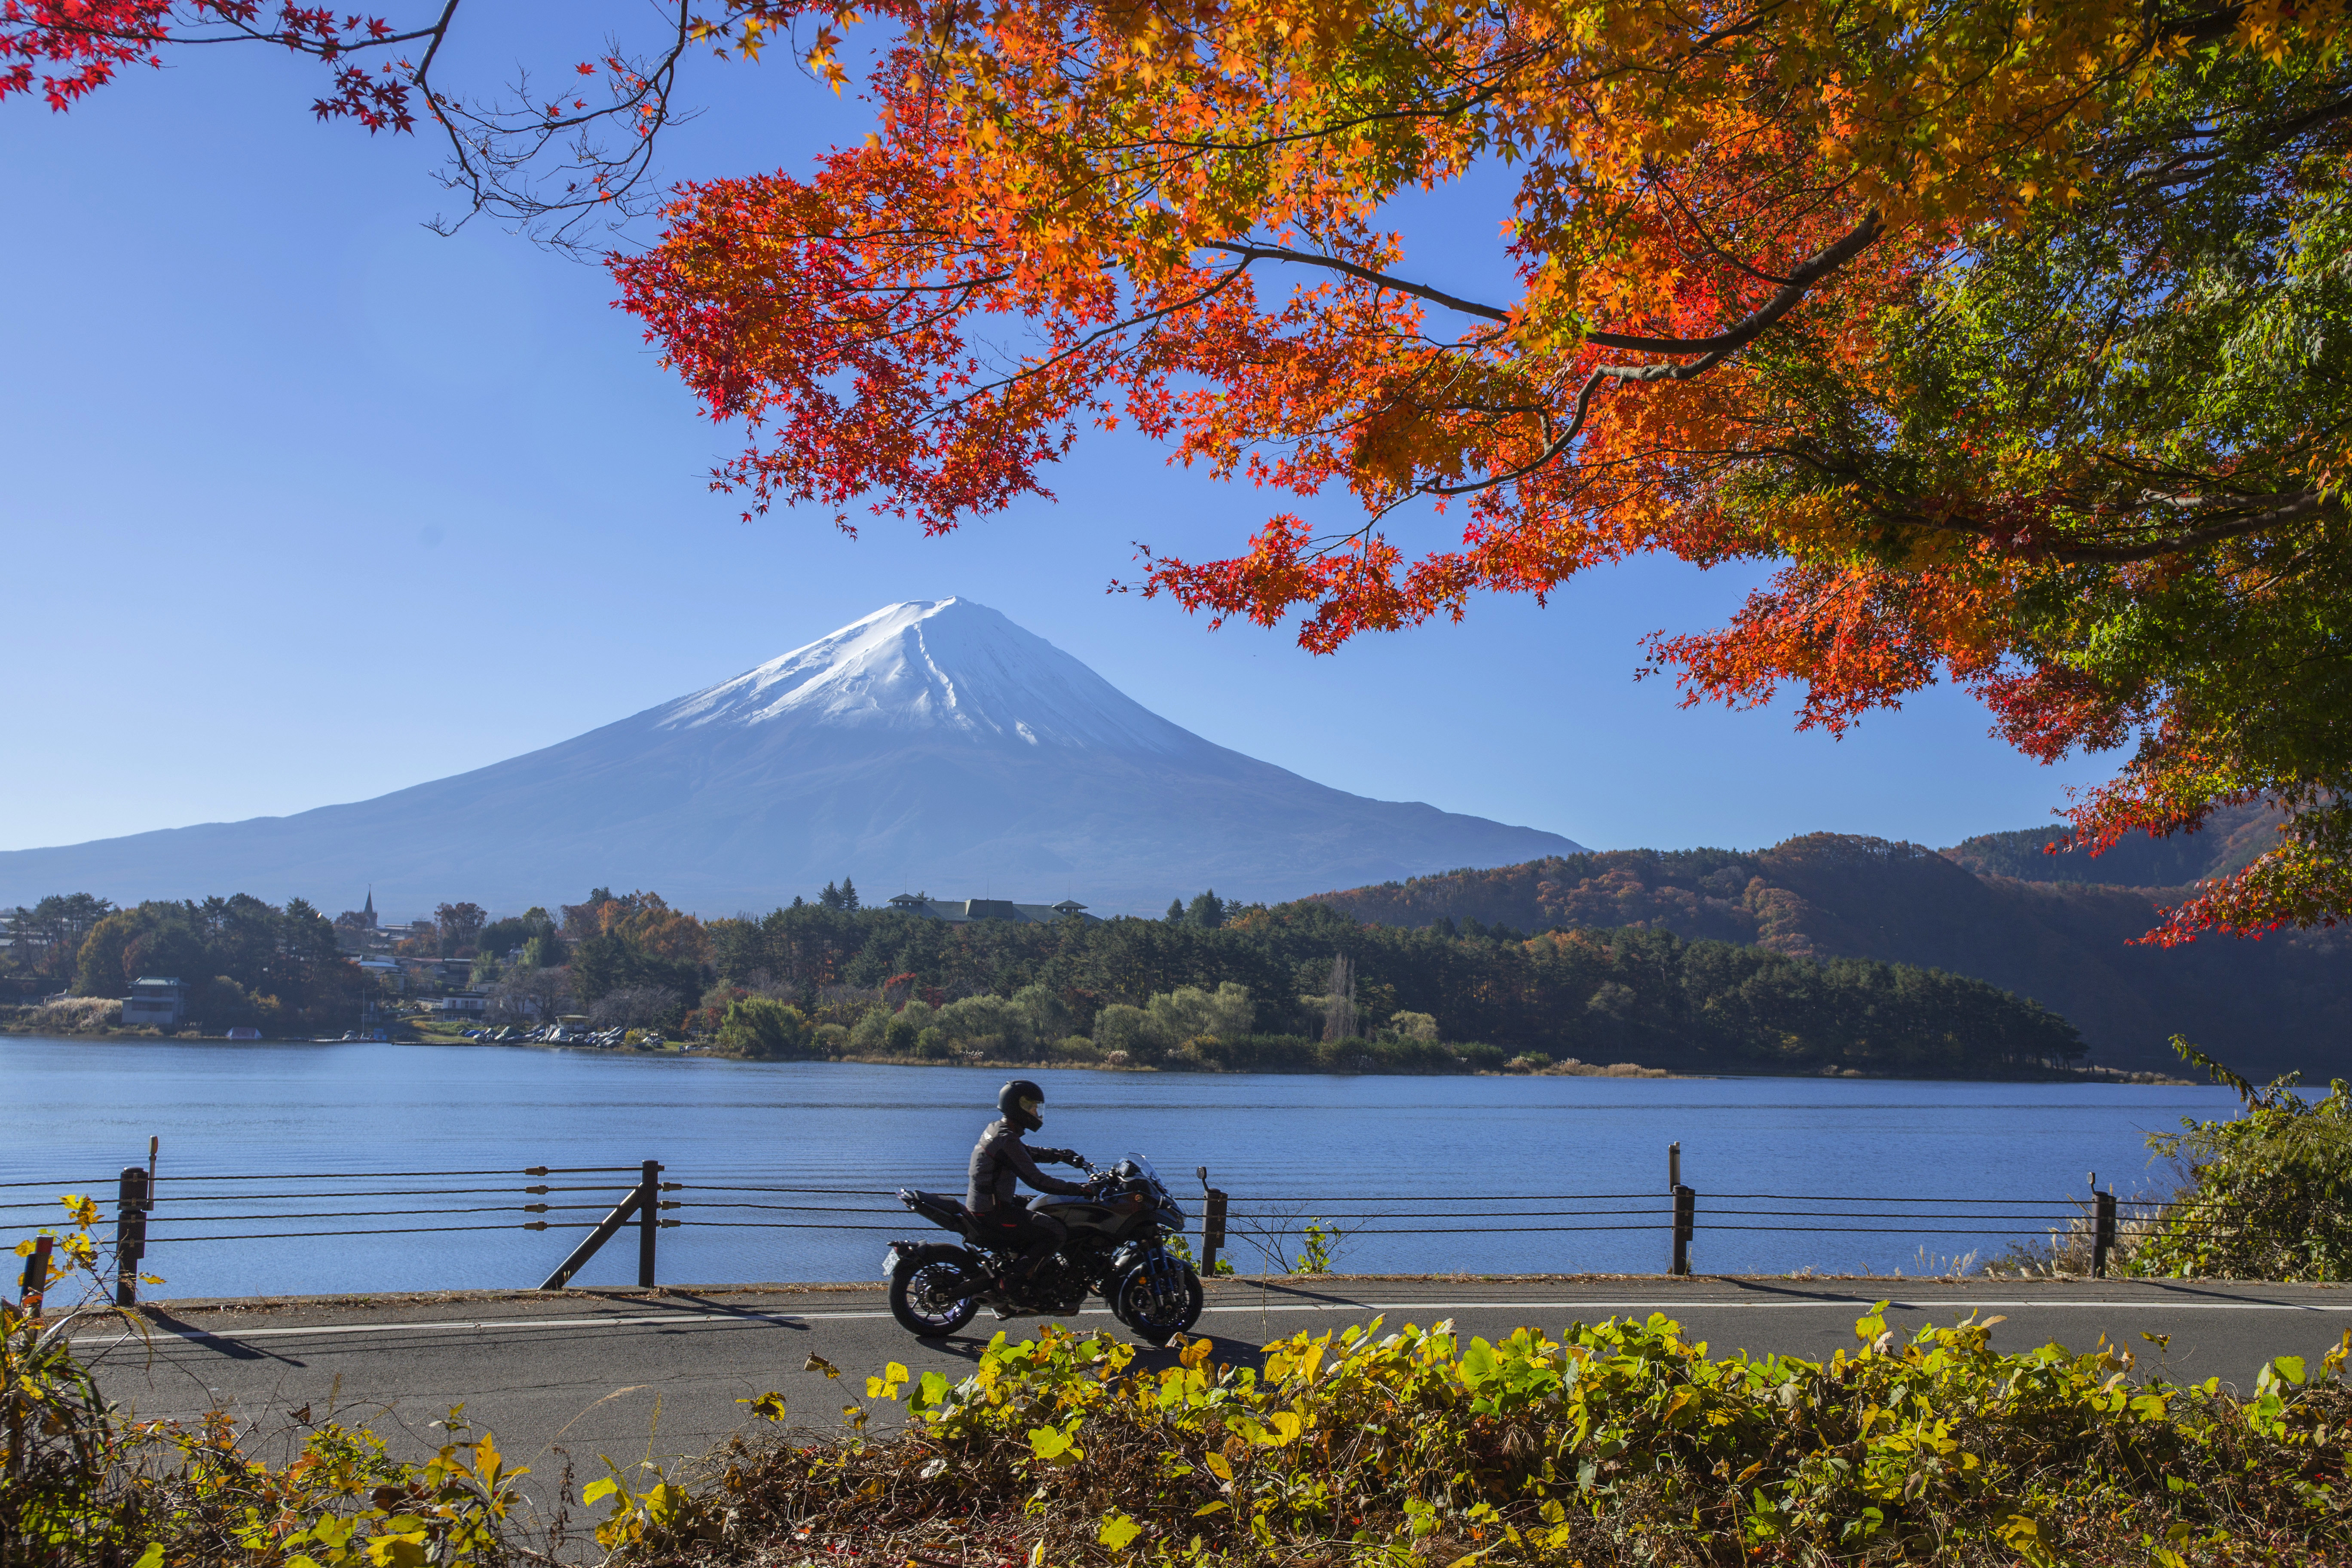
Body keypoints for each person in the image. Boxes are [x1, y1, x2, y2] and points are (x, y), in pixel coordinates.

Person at [967, 1078, 1087, 1288]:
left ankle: (1023, 1262)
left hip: (989, 1204)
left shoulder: (998, 1130)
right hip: (993, 1212)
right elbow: (1037, 1180)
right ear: (1018, 1107)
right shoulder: (1006, 1138)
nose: (1036, 1113)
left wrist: (1060, 1156)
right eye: (1031, 1108)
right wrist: (1078, 1189)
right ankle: (1013, 1280)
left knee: (1048, 1205)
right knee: (1056, 1231)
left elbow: (1025, 1153)